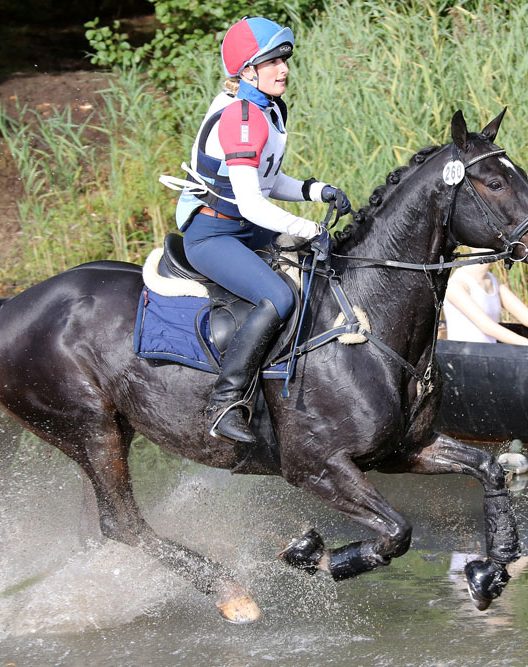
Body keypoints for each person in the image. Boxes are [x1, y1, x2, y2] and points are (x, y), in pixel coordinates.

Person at [161, 17, 351, 444]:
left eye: (284, 59)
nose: (284, 68)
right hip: (214, 235)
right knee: (278, 296)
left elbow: (267, 181)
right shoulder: (242, 119)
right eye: (272, 61)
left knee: (321, 271)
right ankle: (224, 404)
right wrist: (307, 227)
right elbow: (249, 201)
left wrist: (317, 190)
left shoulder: (269, 108)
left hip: (246, 229)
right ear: (247, 71)